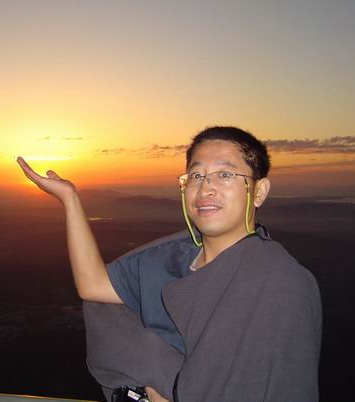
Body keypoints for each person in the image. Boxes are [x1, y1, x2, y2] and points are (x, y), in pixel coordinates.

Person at [17, 126, 322, 402]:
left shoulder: (277, 282)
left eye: (225, 174)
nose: (205, 188)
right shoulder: (172, 258)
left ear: (259, 191)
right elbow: (94, 286)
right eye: (196, 176)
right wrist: (70, 199)